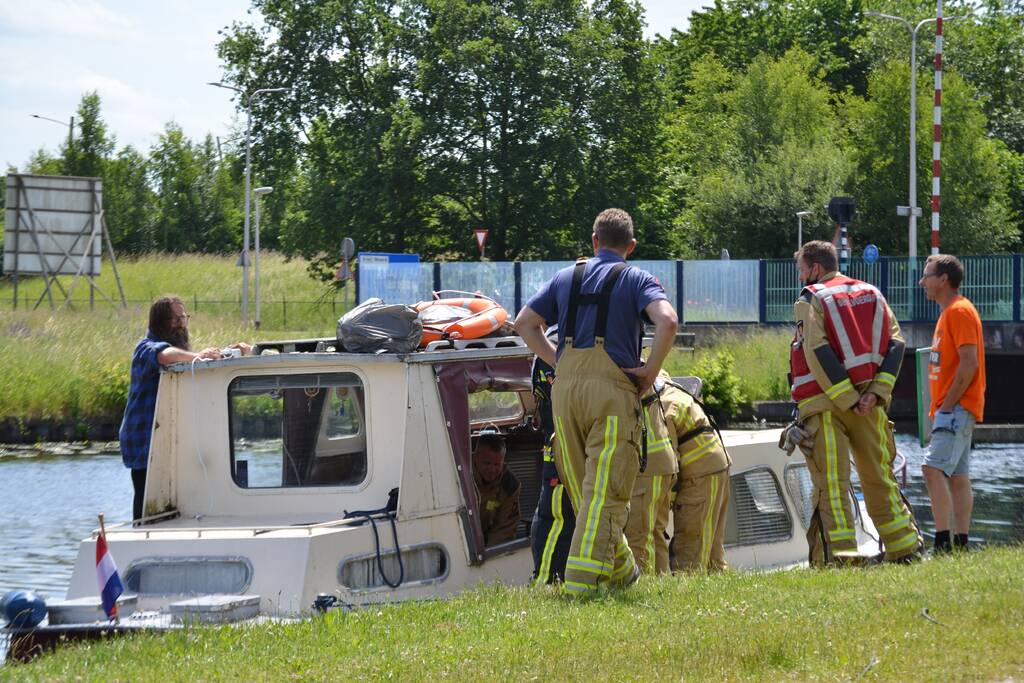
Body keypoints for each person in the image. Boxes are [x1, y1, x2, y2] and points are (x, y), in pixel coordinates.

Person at [514, 208, 679, 595]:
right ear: (631, 246)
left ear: (593, 241)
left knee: (584, 493)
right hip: (611, 393)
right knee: (604, 495)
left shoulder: (564, 277)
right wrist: (651, 370)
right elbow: (667, 321)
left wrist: (558, 361)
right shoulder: (636, 278)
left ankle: (624, 573)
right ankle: (581, 587)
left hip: (565, 394)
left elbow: (523, 323)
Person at [786, 241, 922, 565]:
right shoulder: (873, 293)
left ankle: (842, 559)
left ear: (815, 268)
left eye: (802, 270)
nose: (801, 276)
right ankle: (906, 549)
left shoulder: (811, 298)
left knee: (832, 485)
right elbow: (896, 344)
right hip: (869, 406)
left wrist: (848, 398)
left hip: (824, 405)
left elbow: (816, 351)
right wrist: (875, 393)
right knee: (880, 478)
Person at [119, 296, 251, 521]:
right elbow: (164, 355)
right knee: (147, 495)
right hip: (144, 436)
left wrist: (225, 353)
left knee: (169, 497)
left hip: (165, 434)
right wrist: (199, 356)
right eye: (176, 319)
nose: (182, 323)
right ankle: (142, 529)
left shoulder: (178, 353)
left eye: (184, 317)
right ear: (160, 321)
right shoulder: (145, 347)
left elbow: (188, 361)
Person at [919, 254, 986, 553]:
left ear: (943, 279)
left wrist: (946, 406)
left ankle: (942, 543)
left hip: (955, 409)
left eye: (927, 275)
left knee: (931, 470)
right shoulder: (948, 313)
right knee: (958, 477)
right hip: (951, 409)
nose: (922, 281)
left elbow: (969, 364)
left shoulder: (959, 311)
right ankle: (961, 543)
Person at [656, 372, 732, 573]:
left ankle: (688, 587)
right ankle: (717, 582)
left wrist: (665, 501)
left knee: (689, 551)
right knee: (713, 551)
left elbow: (669, 461)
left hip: (699, 477)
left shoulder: (661, 407)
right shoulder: (675, 392)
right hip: (718, 467)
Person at [529, 351, 576, 585]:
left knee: (556, 520)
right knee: (556, 520)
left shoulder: (550, 350)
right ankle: (547, 582)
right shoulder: (561, 350)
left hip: (561, 456)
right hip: (564, 457)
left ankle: (549, 581)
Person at [624, 377, 678, 574]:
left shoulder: (621, 374)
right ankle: (660, 584)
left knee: (638, 536)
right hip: (663, 463)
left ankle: (643, 584)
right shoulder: (642, 372)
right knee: (656, 533)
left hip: (647, 467)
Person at [473, 433, 521, 546]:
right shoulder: (460, 476)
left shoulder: (510, 485)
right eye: (487, 463)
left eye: (497, 464)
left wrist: (490, 553)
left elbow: (505, 529)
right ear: (475, 458)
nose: (492, 469)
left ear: (503, 462)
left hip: (488, 541)